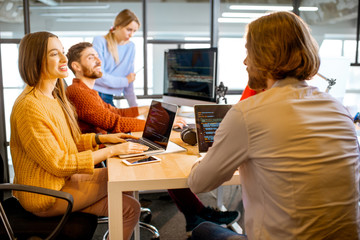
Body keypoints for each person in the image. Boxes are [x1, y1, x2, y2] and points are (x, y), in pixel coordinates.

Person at [188, 11, 360, 240]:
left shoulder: (247, 113)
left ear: (263, 55)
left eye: (249, 52)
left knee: (202, 231)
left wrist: (203, 160)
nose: (245, 61)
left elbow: (200, 183)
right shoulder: (339, 108)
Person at [65, 41, 241, 235]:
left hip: (104, 149)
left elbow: (116, 111)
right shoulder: (78, 92)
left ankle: (194, 214)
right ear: (76, 66)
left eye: (97, 56)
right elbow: (113, 122)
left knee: (161, 151)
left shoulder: (87, 91)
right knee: (163, 158)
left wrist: (148, 109)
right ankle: (196, 213)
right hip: (96, 157)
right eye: (91, 57)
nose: (99, 60)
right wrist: (164, 122)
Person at [11, 31, 149, 240]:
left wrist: (101, 139)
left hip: (62, 182)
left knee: (129, 207)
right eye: (54, 54)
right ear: (36, 60)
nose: (65, 59)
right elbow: (59, 163)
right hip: (45, 194)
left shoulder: (53, 98)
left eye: (63, 52)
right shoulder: (30, 106)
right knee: (125, 181)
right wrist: (112, 151)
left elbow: (70, 142)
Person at [92, 9, 139, 107]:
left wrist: (136, 109)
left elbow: (129, 84)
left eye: (134, 31)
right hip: (95, 94)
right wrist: (125, 81)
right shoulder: (99, 41)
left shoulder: (131, 47)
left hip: (108, 96)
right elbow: (98, 76)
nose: (131, 34)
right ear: (118, 27)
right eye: (129, 29)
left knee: (131, 120)